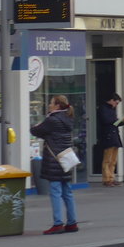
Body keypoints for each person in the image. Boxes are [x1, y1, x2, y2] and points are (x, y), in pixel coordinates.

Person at [31, 95, 79, 234]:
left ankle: (58, 223)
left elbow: (36, 130)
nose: (49, 105)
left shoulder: (52, 119)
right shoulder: (68, 118)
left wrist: (36, 126)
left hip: (54, 160)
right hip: (66, 158)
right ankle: (72, 222)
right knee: (67, 192)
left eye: (51, 103)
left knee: (55, 192)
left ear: (57, 105)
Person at [97, 93, 124, 187]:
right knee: (107, 159)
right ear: (111, 100)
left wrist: (122, 122)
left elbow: (114, 123)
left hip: (113, 135)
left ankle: (111, 177)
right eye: (116, 103)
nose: (116, 105)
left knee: (113, 160)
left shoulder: (111, 109)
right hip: (108, 135)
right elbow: (106, 121)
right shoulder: (103, 108)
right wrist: (118, 121)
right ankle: (106, 179)